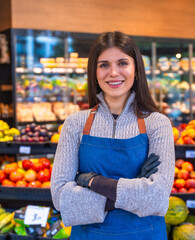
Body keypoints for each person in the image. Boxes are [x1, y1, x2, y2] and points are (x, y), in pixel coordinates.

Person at [51, 31, 175, 239]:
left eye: (122, 63)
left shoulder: (157, 124)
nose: (114, 72)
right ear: (95, 72)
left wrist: (95, 182)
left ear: (136, 70)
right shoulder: (75, 124)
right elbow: (61, 197)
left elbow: (158, 197)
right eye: (104, 65)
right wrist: (135, 188)